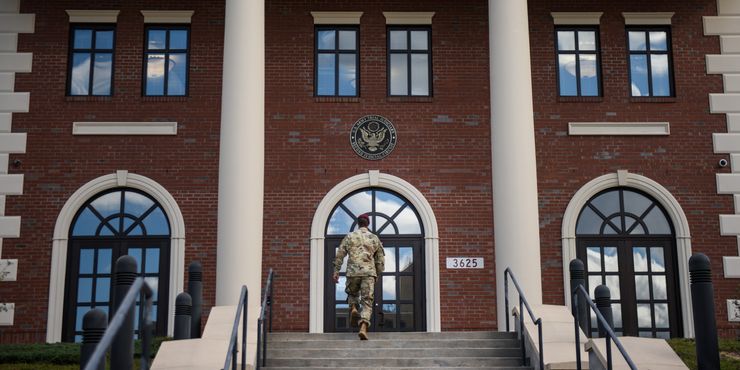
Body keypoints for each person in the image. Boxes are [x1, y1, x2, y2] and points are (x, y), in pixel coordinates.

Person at [333, 213, 385, 340]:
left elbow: (340, 254)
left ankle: (354, 307)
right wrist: (377, 274)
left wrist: (336, 271)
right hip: (368, 273)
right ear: (368, 224)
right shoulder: (374, 238)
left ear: (358, 223)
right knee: (367, 301)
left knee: (352, 294)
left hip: (353, 272)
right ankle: (363, 325)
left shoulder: (350, 236)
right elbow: (380, 260)